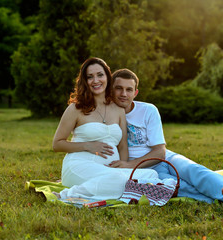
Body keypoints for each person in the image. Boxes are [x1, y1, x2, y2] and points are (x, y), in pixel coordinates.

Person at [107, 68, 223, 207]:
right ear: (111, 90)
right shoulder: (104, 115)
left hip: (164, 157)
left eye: (129, 89)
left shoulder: (148, 110)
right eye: (118, 88)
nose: (123, 94)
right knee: (179, 187)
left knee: (195, 171)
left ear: (135, 92)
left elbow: (159, 152)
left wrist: (128, 164)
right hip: (144, 170)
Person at [52, 58, 158, 200]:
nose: (96, 80)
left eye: (100, 75)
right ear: (85, 81)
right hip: (79, 165)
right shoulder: (75, 109)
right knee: (118, 179)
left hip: (110, 171)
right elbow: (57, 144)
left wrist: (125, 168)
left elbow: (122, 146)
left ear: (108, 77)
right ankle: (68, 194)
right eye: (90, 77)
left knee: (152, 175)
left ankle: (111, 186)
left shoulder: (118, 109)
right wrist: (87, 145)